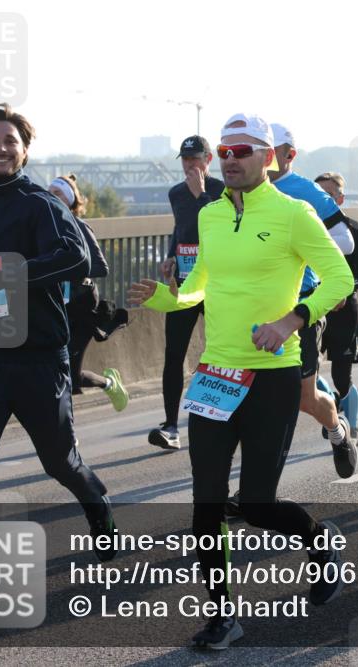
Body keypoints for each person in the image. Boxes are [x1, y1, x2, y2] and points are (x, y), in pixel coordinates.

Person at [128, 113, 354, 649]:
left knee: (254, 503)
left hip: (273, 377)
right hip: (215, 375)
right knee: (206, 501)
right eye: (224, 151)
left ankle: (321, 543)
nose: (231, 158)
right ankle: (223, 616)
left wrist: (289, 321)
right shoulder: (208, 216)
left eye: (243, 150)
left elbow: (341, 277)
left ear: (268, 157)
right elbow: (199, 285)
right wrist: (169, 298)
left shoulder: (295, 213)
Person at [0, 103, 115, 561]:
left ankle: (96, 502)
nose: (0, 149)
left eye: (9, 142)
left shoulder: (41, 205)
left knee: (59, 462)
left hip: (38, 359)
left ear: (24, 151)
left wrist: (10, 275)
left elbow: (77, 259)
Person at [267, 123, 358, 478]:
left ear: (289, 155)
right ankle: (256, 485)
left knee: (304, 399)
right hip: (256, 308)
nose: (261, 157)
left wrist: (311, 258)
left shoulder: (305, 192)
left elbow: (345, 242)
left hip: (301, 305)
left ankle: (338, 433)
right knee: (256, 399)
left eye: (270, 150)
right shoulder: (238, 194)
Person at [148, 136, 225, 450]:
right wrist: (170, 257)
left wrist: (202, 195)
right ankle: (170, 426)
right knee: (173, 354)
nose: (190, 165)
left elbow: (223, 230)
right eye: (185, 159)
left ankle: (222, 418)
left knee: (222, 352)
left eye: (195, 159)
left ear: (208, 160)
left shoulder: (223, 191)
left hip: (218, 284)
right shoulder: (176, 193)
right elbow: (181, 230)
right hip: (185, 282)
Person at [47, 174, 129, 411]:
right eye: (48, 192)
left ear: (70, 201)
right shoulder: (43, 228)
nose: (50, 197)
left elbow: (101, 267)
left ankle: (109, 383)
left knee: (70, 376)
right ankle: (61, 431)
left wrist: (69, 268)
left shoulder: (79, 227)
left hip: (81, 306)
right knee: (52, 372)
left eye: (57, 193)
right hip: (56, 307)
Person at [314, 172, 358, 440]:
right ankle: (332, 411)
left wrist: (343, 290)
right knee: (308, 372)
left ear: (340, 198)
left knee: (341, 373)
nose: (324, 199)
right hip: (313, 310)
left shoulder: (352, 229)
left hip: (343, 309)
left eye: (330, 195)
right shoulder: (303, 228)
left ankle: (351, 425)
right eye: (320, 194)